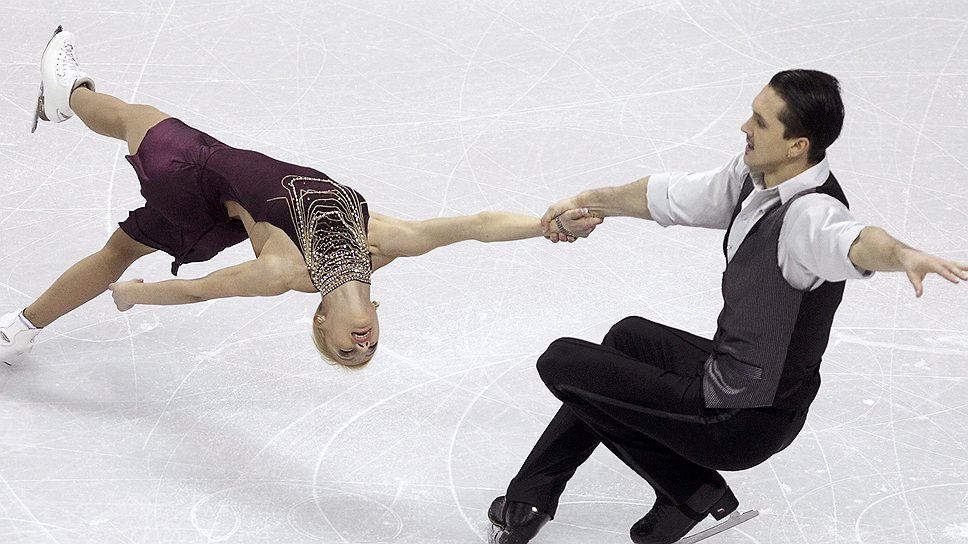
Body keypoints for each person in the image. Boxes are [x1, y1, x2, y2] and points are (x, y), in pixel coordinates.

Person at [488, 69, 968, 544]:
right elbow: (668, 196)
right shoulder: (753, 179)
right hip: (738, 379)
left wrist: (904, 255)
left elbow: (856, 242)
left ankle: (688, 488)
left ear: (797, 145)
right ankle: (532, 499)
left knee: (562, 361)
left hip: (740, 420)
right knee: (627, 338)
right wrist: (587, 203)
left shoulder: (810, 215)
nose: (745, 127)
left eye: (760, 121)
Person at [0, 27, 601, 369]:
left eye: (345, 350)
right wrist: (545, 224)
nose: (361, 346)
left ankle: (68, 94)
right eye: (368, 348)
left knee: (138, 119)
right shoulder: (376, 246)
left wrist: (136, 296)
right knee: (116, 252)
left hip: (195, 176)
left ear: (320, 320)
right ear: (375, 319)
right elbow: (476, 224)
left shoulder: (285, 273)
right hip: (220, 204)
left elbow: (198, 290)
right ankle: (20, 330)